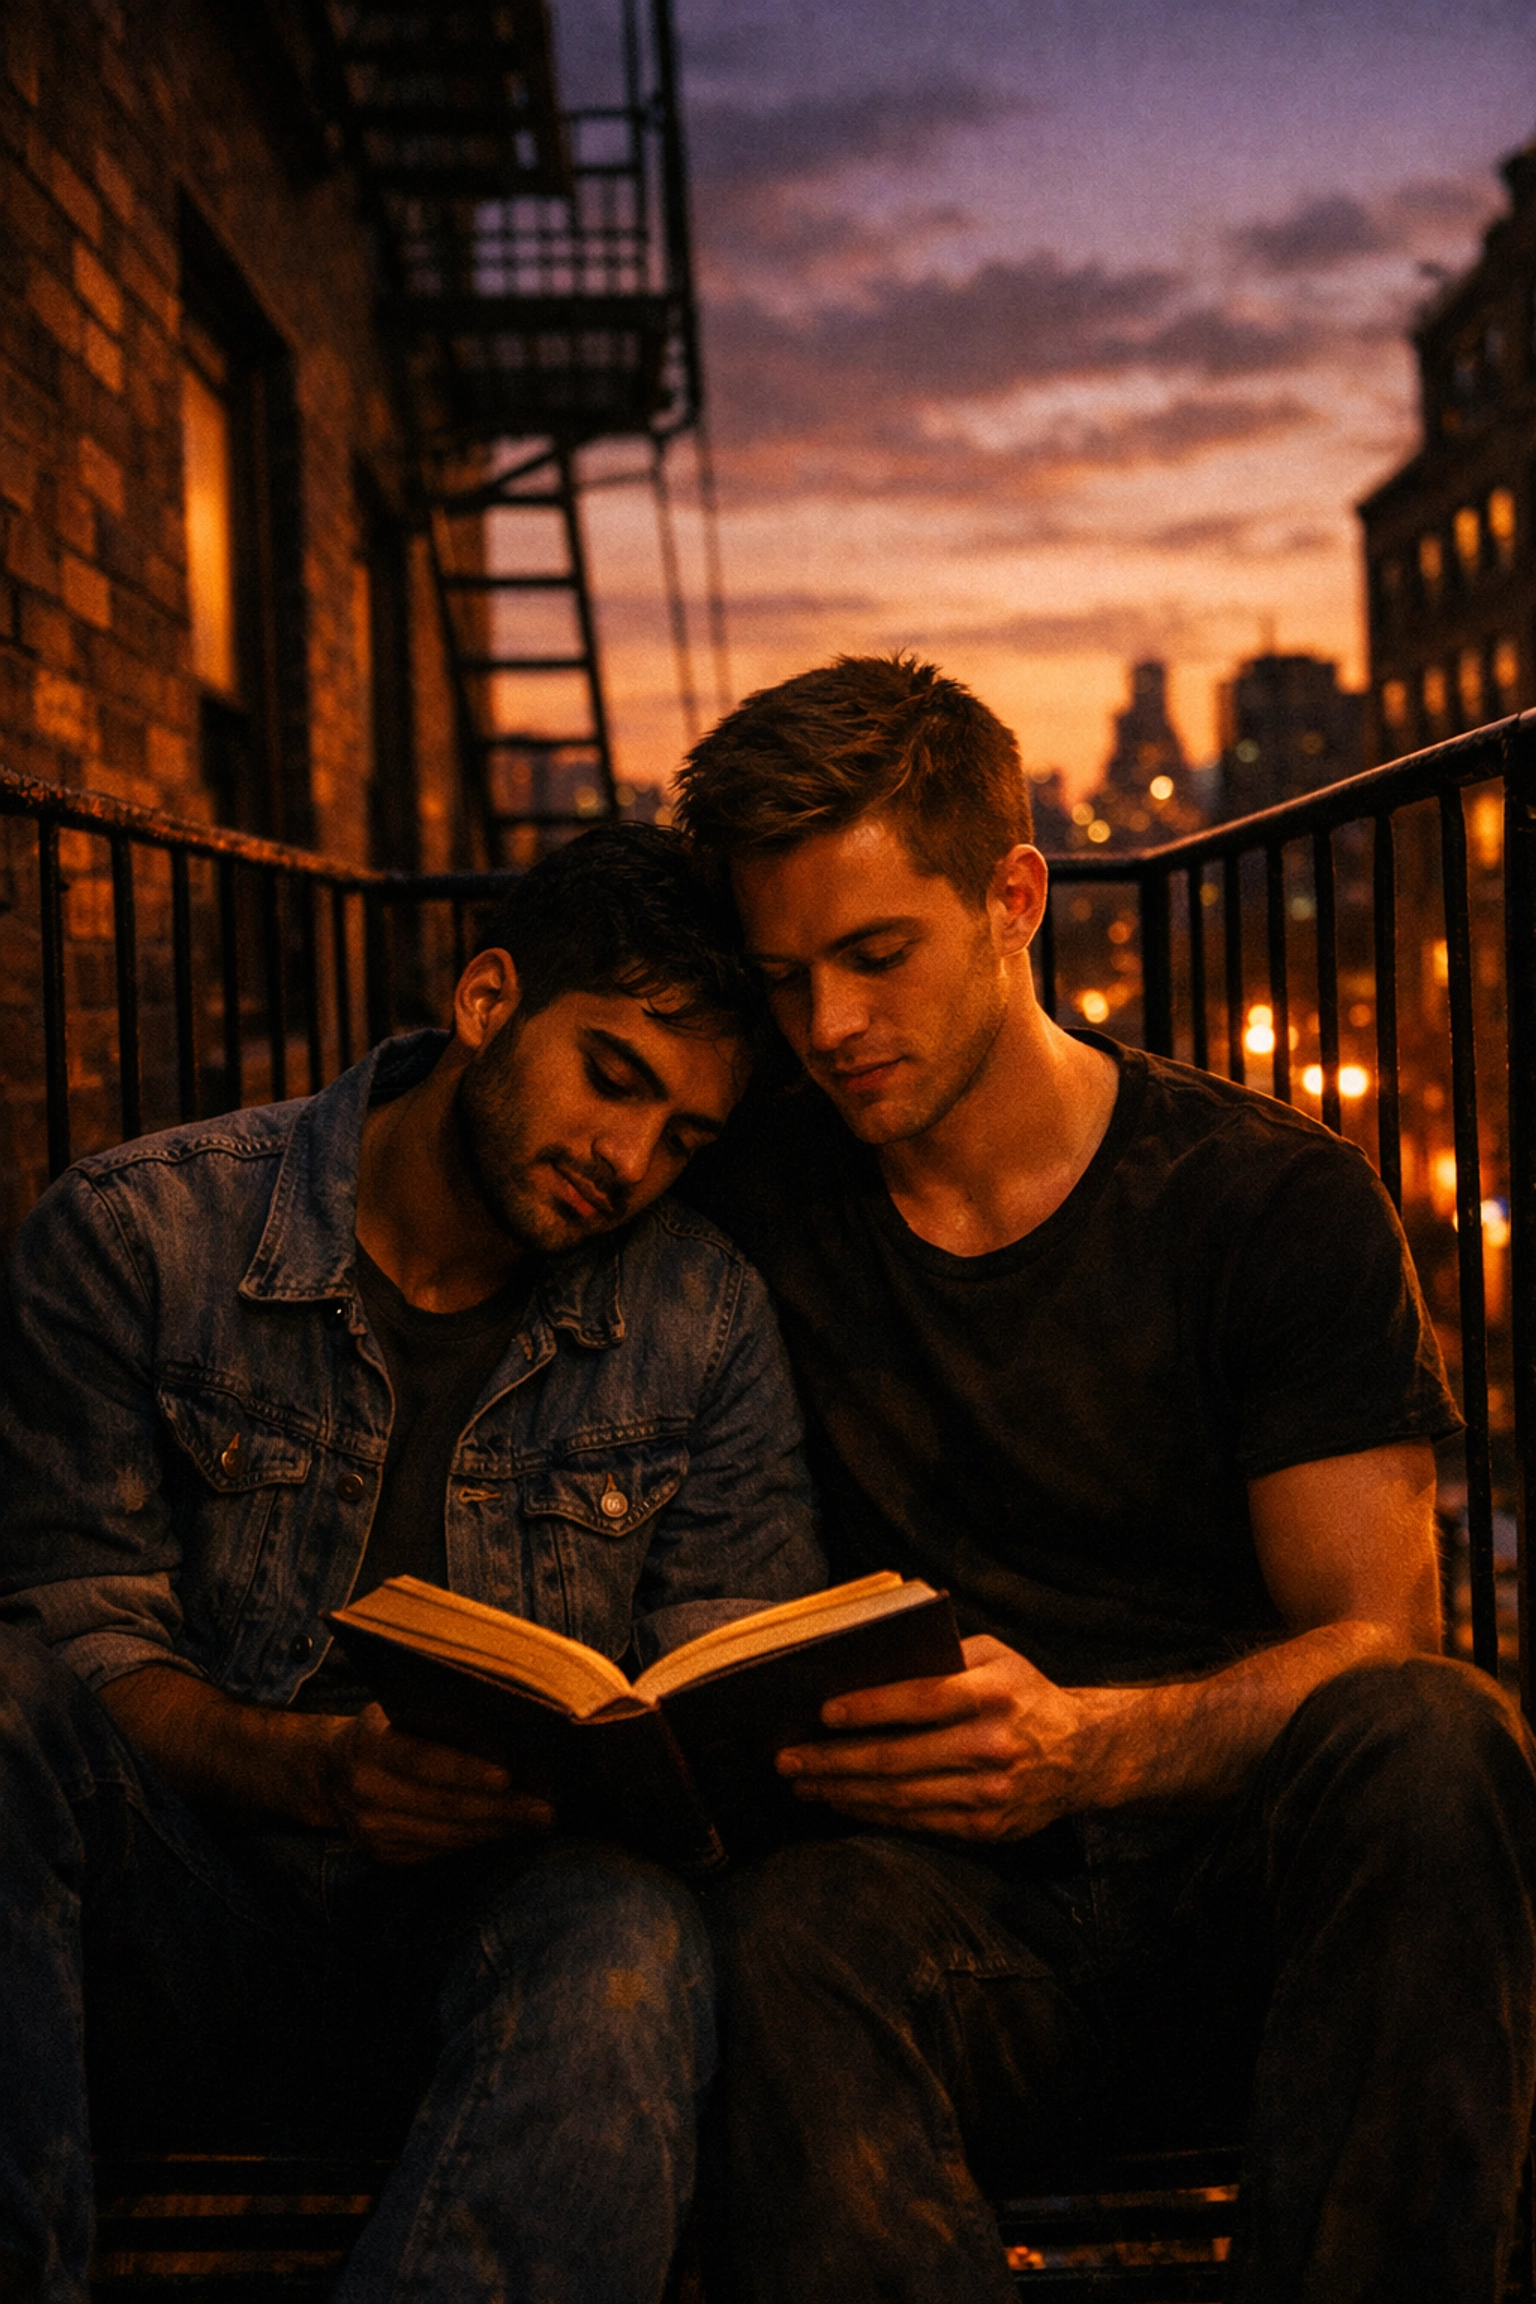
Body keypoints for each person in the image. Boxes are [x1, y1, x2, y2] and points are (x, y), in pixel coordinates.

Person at [673, 654, 1536, 2304]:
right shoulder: (756, 1203)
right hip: (949, 1932)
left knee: (1440, 1746)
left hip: (1244, 1904)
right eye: (786, 980)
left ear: (1016, 897)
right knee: (773, 1941)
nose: (831, 1029)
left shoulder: (1267, 1204)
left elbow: (1380, 1640)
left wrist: (1091, 1749)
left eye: (876, 956)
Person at [0, 824, 823, 2304]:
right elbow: (78, 1653)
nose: (627, 1161)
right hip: (180, 1906)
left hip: (482, 1941)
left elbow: (729, 1686)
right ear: (490, 999)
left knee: (631, 1940)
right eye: (614, 1075)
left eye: (684, 1136)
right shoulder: (142, 1237)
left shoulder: (702, 1322)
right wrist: (316, 1773)